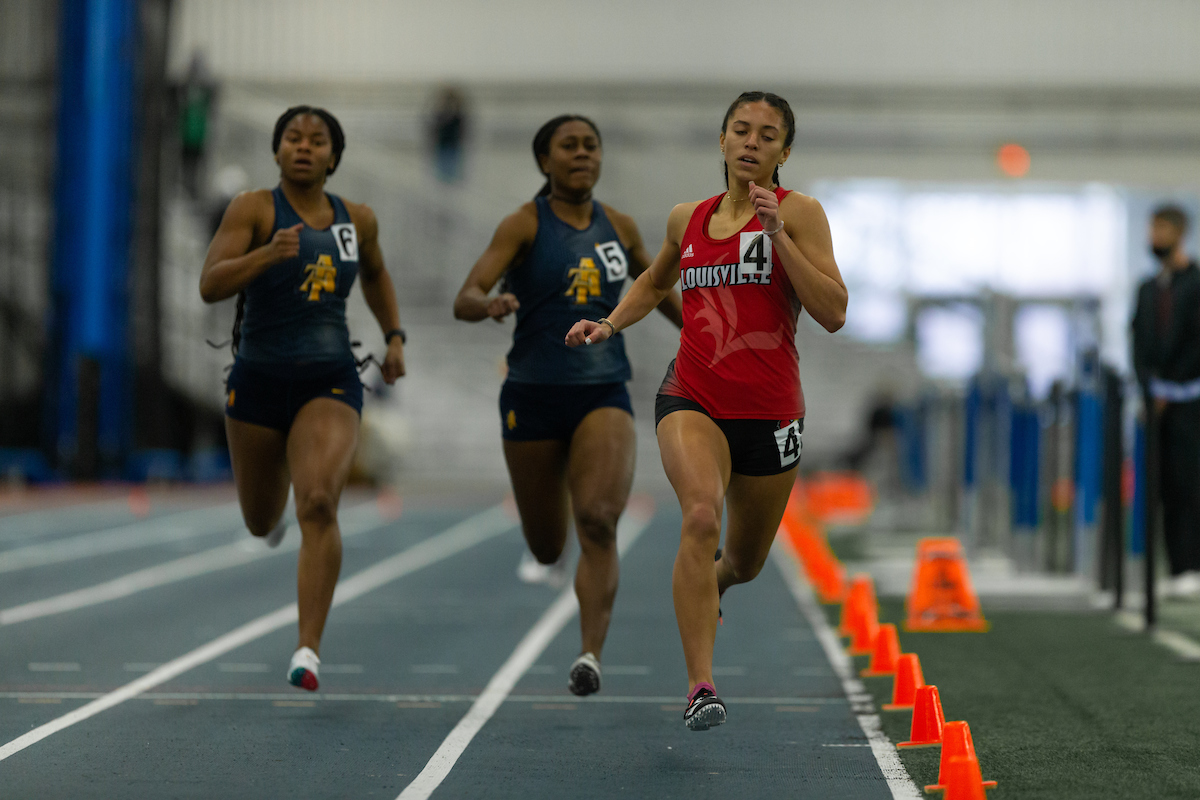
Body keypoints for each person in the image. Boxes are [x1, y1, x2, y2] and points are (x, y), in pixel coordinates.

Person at [566, 91, 847, 730]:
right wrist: (609, 324)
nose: (752, 142)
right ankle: (701, 687)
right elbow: (655, 280)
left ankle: (711, 584)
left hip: (772, 413)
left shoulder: (801, 213)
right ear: (721, 141)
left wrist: (777, 235)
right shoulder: (685, 219)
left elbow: (833, 312)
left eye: (767, 135)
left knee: (743, 563)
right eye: (741, 130)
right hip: (692, 397)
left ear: (784, 152)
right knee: (699, 515)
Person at [454, 114, 682, 696]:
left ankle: (590, 655)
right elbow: (466, 296)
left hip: (601, 388)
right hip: (530, 395)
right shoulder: (523, 224)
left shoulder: (620, 225)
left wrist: (702, 333)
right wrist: (490, 304)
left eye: (591, 145)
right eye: (569, 146)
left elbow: (655, 286)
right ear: (544, 161)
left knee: (599, 520)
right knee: (547, 544)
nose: (582, 154)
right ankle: (551, 521)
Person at [199, 106, 406, 690]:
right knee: (260, 518)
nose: (304, 147)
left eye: (317, 141)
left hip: (329, 378)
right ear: (277, 151)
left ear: (333, 157)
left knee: (317, 502)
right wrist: (265, 255)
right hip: (257, 380)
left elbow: (376, 275)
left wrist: (393, 336)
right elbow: (210, 283)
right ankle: (273, 504)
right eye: (293, 138)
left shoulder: (357, 219)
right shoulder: (253, 209)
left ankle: (308, 649)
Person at [1132, 204, 1200, 597]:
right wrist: (1149, 387)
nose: (1154, 238)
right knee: (1164, 487)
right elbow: (1138, 341)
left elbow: (1194, 342)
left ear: (1179, 233)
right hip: (1156, 403)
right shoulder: (1147, 288)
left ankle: (1193, 564)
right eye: (1151, 229)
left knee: (1190, 482)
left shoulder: (1196, 283)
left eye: (1161, 230)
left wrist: (1171, 386)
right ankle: (1177, 566)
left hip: (1190, 401)